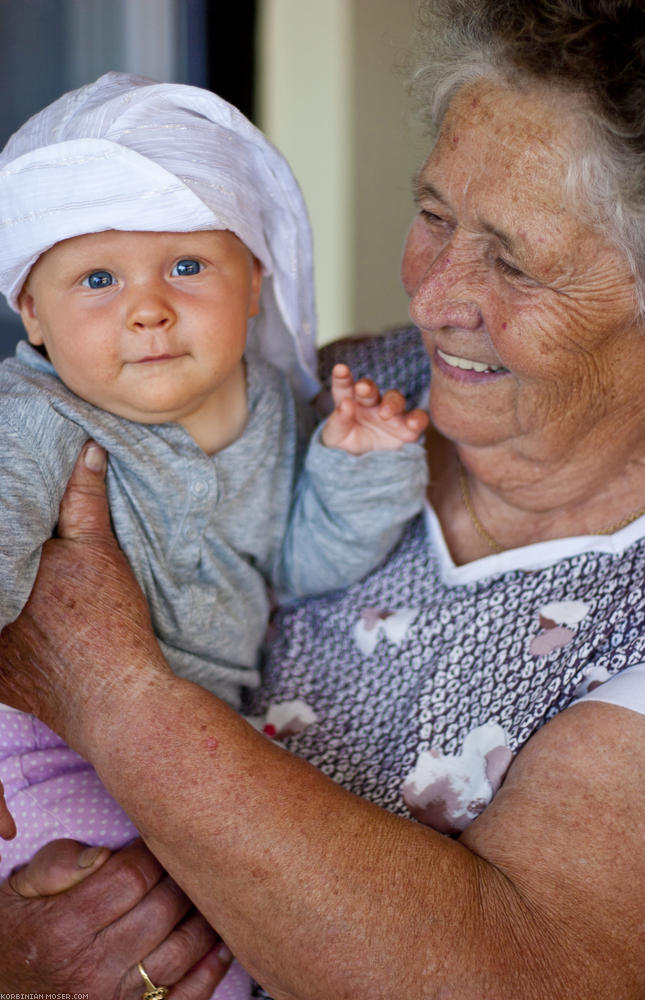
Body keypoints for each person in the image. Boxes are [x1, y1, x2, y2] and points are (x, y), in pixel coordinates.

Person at [0, 0, 645, 996]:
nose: (432, 296)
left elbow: (514, 975)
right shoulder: (334, 392)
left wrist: (108, 687)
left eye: (514, 261)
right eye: (434, 215)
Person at [0, 74, 427, 999]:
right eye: (97, 279)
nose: (147, 308)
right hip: (33, 738)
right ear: (31, 315)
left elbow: (298, 565)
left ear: (253, 284)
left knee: (229, 944)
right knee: (138, 931)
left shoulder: (273, 407)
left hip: (193, 743)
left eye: (187, 266)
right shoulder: (33, 420)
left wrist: (357, 466)